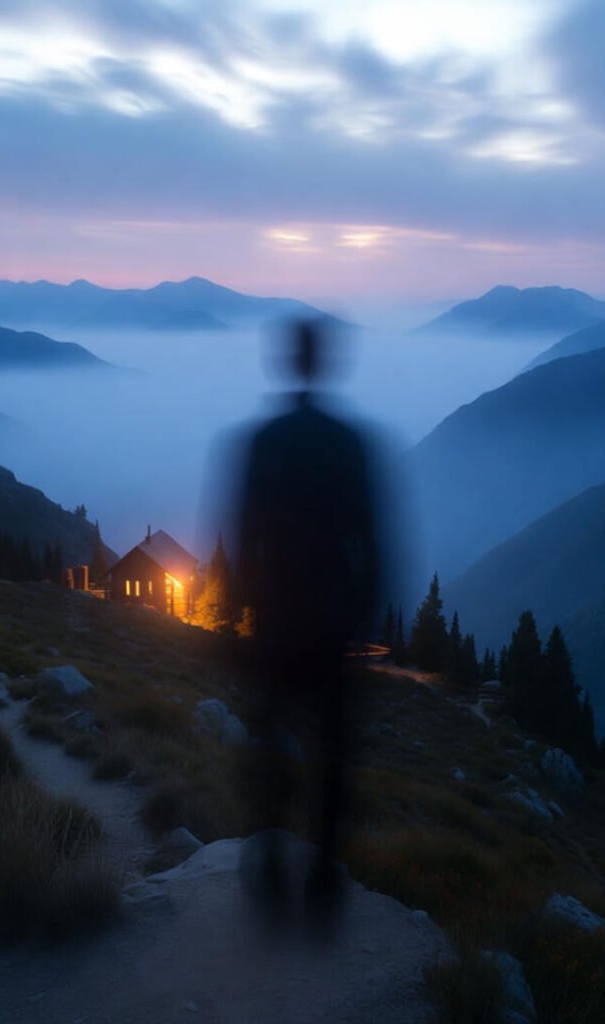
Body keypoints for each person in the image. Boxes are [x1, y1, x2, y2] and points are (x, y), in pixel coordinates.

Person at [232, 316, 381, 927]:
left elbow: (241, 541)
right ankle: (323, 879)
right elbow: (373, 540)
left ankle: (268, 869)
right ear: (326, 363)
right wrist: (362, 618)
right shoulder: (350, 444)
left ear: (286, 362)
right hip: (331, 622)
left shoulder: (262, 443)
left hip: (275, 622)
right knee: (331, 754)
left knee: (270, 747)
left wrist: (246, 617)